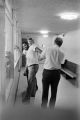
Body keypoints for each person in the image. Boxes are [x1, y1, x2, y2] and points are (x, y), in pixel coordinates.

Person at [39, 37, 64, 108]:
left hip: (47, 72)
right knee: (54, 91)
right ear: (61, 44)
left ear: (54, 42)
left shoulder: (47, 48)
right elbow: (61, 62)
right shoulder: (62, 52)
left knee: (45, 90)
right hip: (56, 73)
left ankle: (43, 107)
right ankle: (51, 108)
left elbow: (40, 58)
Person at [22, 38, 42, 102]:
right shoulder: (30, 48)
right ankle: (35, 88)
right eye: (28, 42)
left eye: (30, 41)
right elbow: (28, 59)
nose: (29, 42)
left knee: (30, 81)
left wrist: (40, 58)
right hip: (31, 66)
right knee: (33, 79)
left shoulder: (33, 46)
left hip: (33, 66)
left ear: (33, 41)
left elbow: (41, 51)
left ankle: (27, 98)